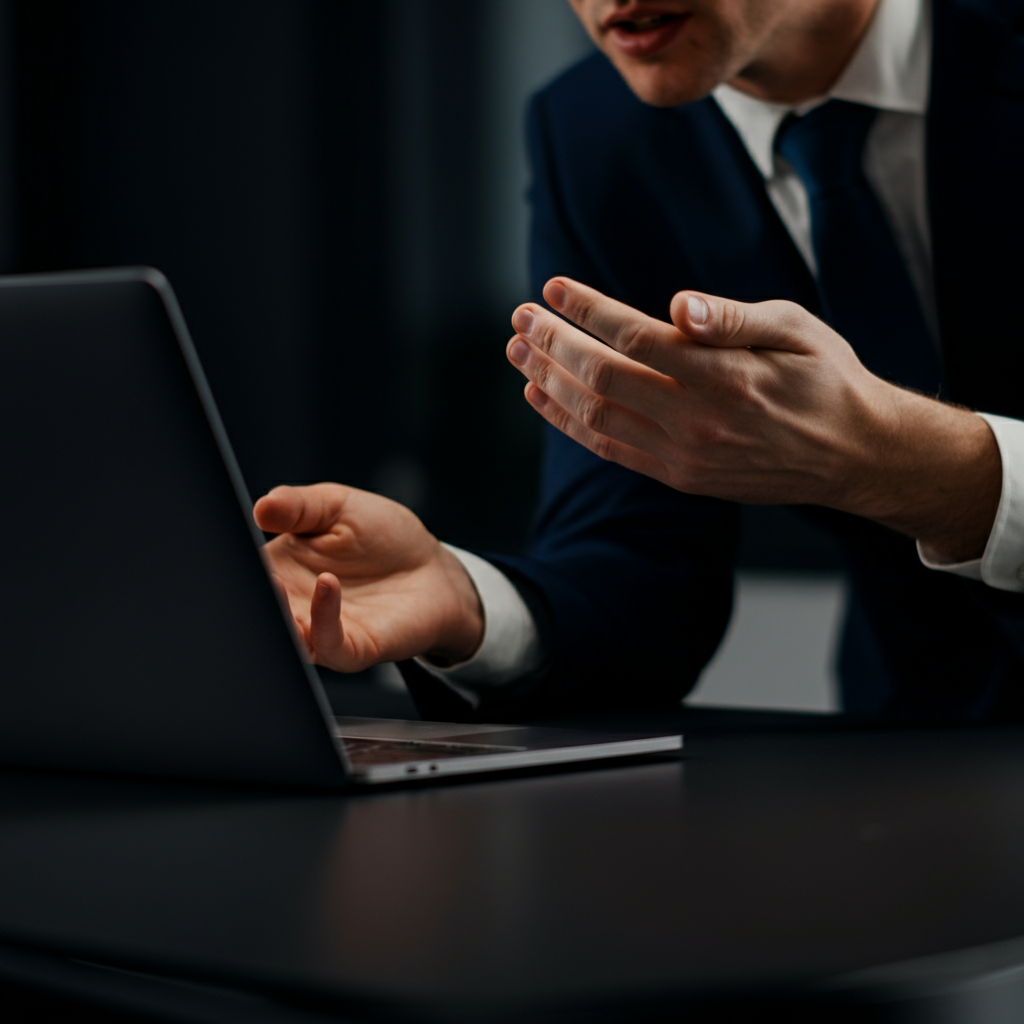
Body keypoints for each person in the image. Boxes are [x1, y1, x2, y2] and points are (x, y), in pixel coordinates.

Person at [255, 0, 1024, 722]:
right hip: (912, 748)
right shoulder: (594, 131)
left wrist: (898, 462)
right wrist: (467, 602)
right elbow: (640, 570)